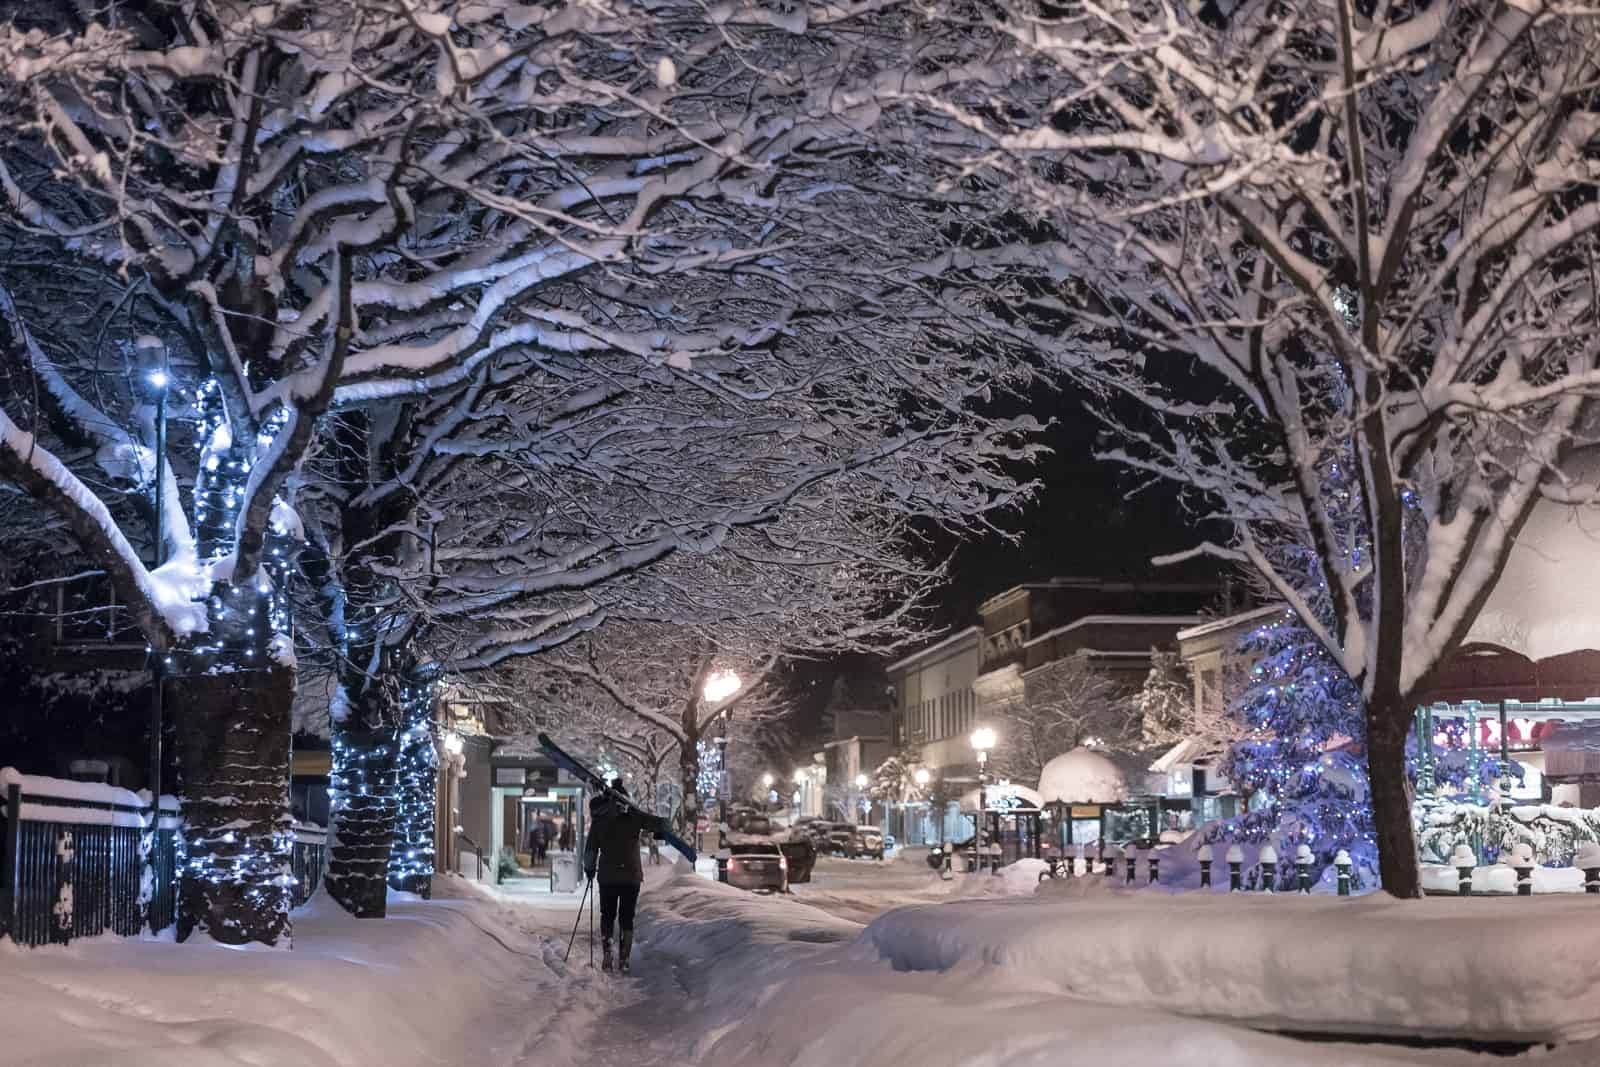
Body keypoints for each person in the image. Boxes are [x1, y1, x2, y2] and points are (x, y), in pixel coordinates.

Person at [583, 783, 665, 974]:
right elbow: (656, 824)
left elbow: (590, 850)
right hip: (631, 876)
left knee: (608, 915)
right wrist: (664, 826)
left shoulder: (599, 821)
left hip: (608, 877)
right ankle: (625, 959)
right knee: (626, 917)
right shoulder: (634, 818)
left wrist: (589, 870)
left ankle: (607, 954)